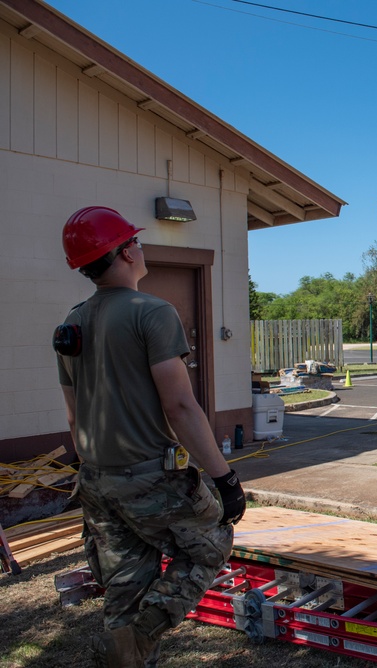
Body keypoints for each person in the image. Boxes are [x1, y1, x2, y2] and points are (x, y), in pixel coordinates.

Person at [55, 206, 246, 668]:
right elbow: (179, 405)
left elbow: (74, 412)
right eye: (135, 241)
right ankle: (140, 637)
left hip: (98, 478)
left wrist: (95, 469)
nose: (141, 247)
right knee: (213, 541)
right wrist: (224, 479)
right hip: (147, 476)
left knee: (125, 585)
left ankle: (126, 648)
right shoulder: (152, 312)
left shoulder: (71, 322)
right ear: (124, 253)